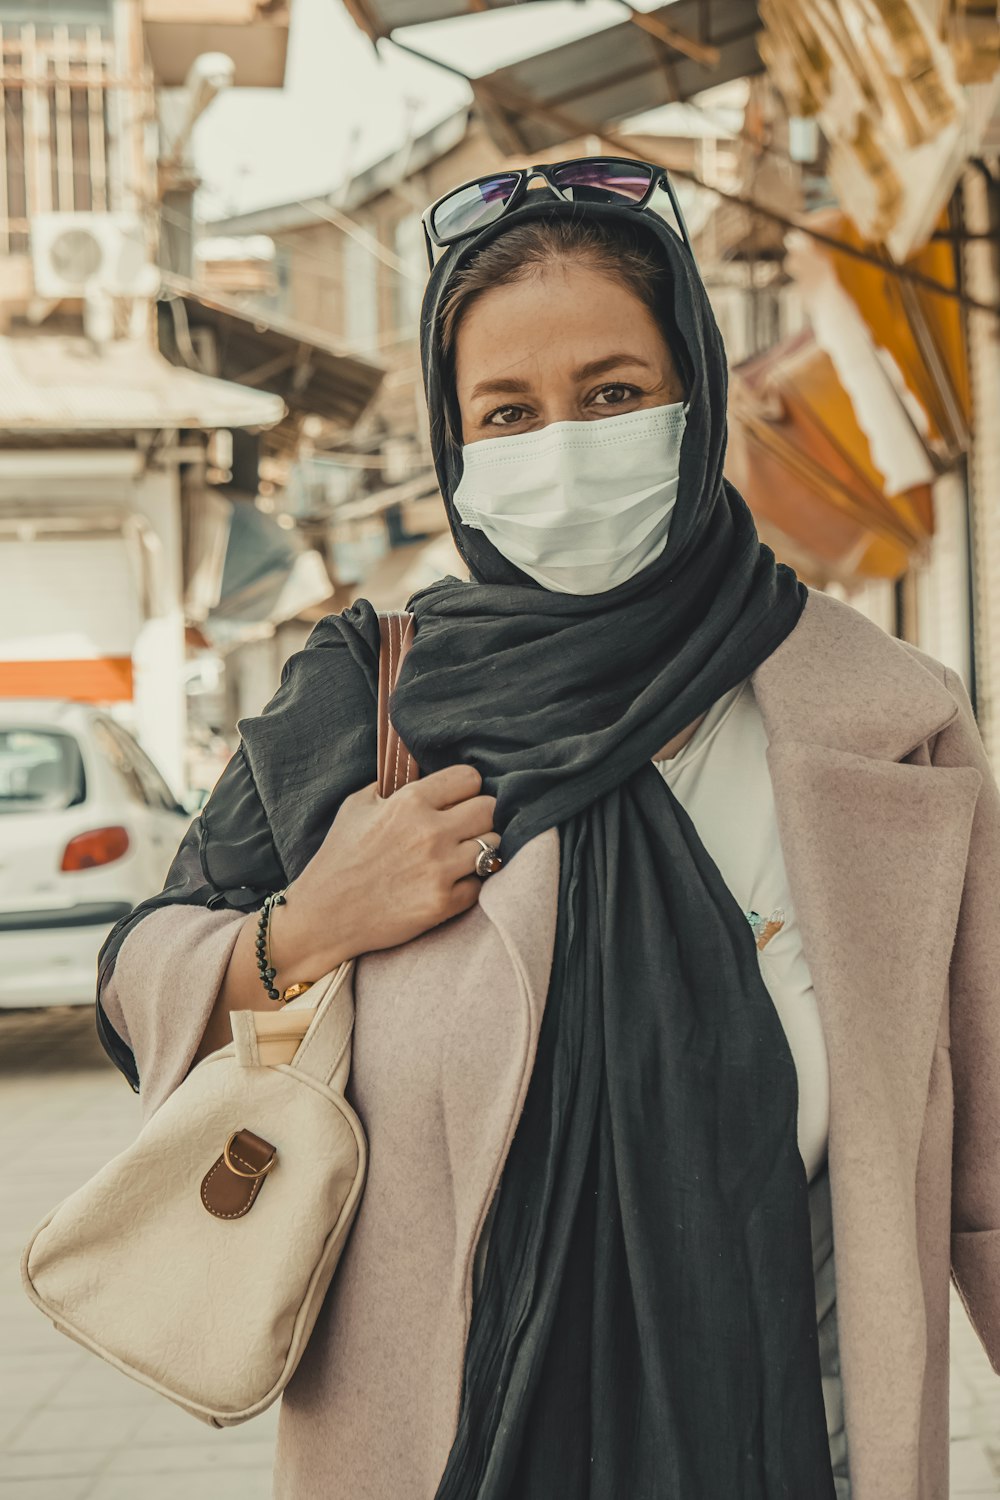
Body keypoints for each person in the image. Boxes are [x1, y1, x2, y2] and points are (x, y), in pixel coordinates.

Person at [96, 159, 1000, 1500]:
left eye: (614, 395)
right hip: (449, 1445)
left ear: (696, 396)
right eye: (507, 413)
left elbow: (987, 1159)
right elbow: (134, 976)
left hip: (802, 1441)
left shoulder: (885, 722)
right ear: (457, 448)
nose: (562, 448)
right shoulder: (374, 695)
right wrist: (312, 924)